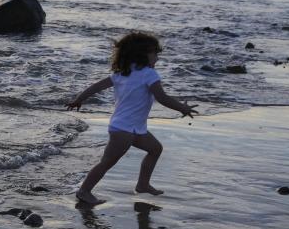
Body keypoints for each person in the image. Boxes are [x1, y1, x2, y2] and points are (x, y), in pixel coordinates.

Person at [67, 31, 197, 206]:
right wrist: (182, 107)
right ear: (142, 54)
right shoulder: (149, 74)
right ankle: (84, 191)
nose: (157, 58)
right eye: (155, 54)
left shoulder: (122, 73)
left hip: (132, 127)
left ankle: (142, 184)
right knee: (107, 162)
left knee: (155, 149)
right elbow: (162, 97)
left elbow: (96, 86)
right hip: (124, 129)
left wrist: (79, 99)